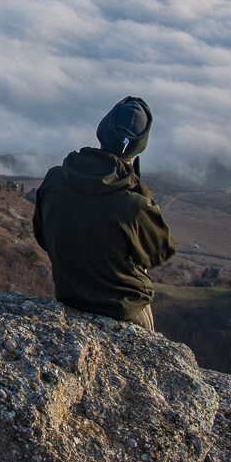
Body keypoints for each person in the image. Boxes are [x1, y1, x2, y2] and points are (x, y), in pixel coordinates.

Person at [31, 96, 175, 330]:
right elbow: (158, 252)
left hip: (68, 297)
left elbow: (42, 237)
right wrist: (139, 189)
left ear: (103, 131)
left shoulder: (54, 180)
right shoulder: (134, 205)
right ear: (140, 146)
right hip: (125, 313)